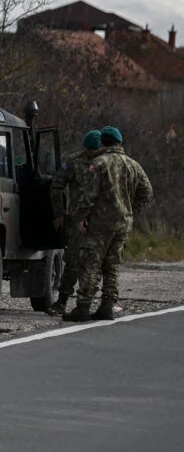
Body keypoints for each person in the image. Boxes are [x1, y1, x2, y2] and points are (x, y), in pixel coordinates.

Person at [64, 125, 153, 322]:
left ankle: (83, 307)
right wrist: (130, 210)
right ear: (120, 143)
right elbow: (147, 192)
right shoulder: (132, 165)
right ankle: (107, 306)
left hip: (100, 223)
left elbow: (88, 195)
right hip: (123, 223)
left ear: (102, 143)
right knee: (112, 265)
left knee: (90, 263)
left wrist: (80, 218)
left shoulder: (99, 163)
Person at [47, 129, 104, 316]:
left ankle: (88, 302)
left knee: (96, 262)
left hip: (99, 219)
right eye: (88, 151)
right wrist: (59, 213)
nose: (91, 155)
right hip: (77, 219)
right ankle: (62, 300)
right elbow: (56, 186)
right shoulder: (73, 162)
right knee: (72, 260)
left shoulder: (106, 162)